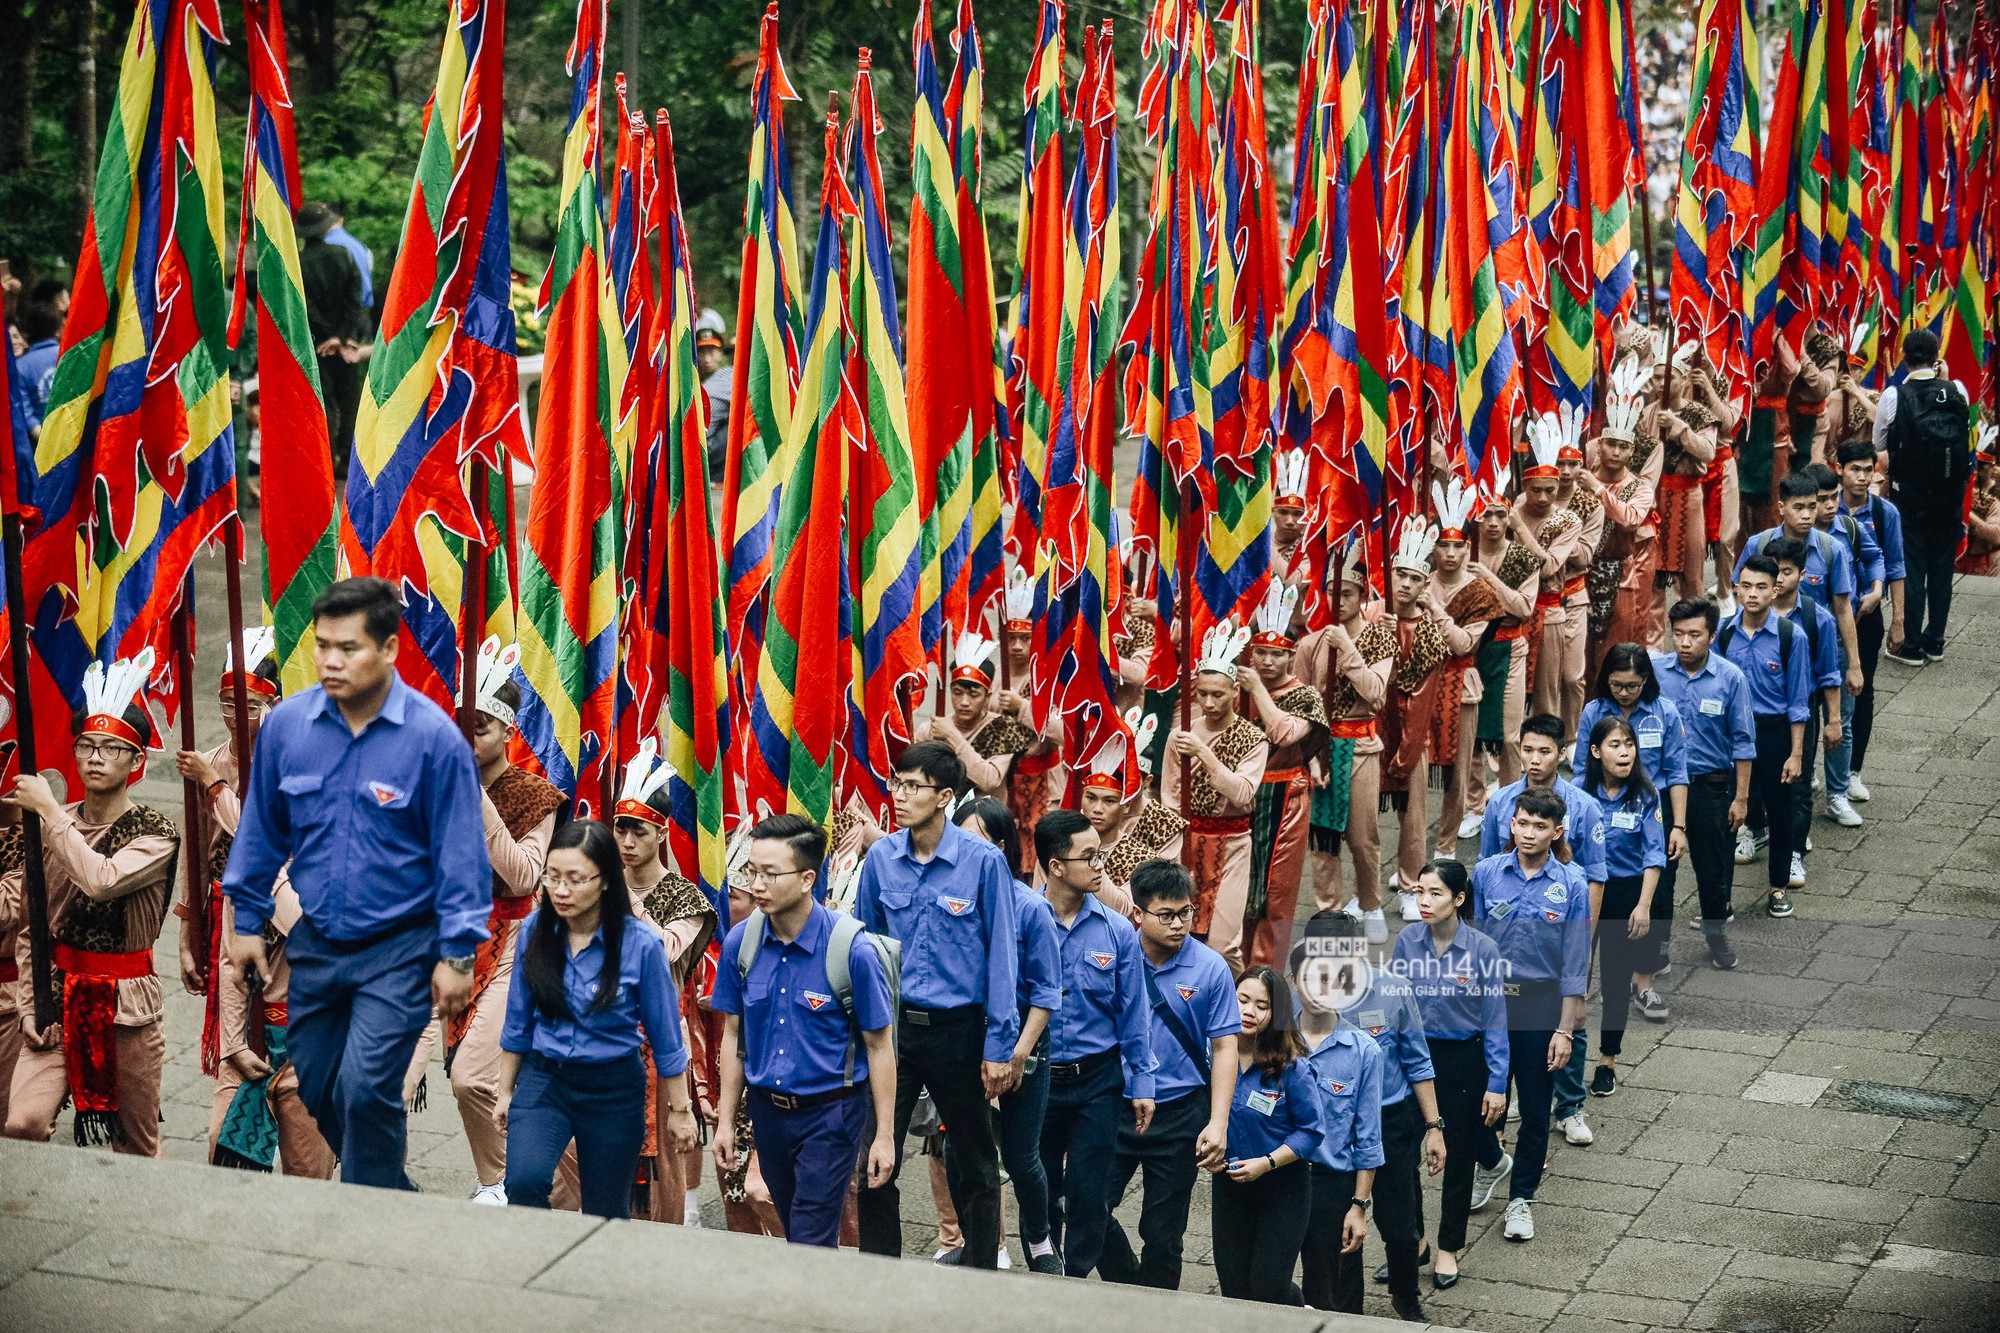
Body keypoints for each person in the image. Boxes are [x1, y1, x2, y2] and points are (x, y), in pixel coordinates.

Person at [223, 576, 494, 1189]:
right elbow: (261, 830)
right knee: (316, 1083)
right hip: (317, 944)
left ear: (390, 649)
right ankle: (389, 1189)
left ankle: (370, 1208)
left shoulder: (431, 741)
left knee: (367, 1086)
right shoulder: (289, 728)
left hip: (400, 949)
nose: (331, 661)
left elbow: (460, 858)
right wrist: (244, 922)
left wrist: (457, 954)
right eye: (322, 646)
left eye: (349, 647)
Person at [403, 639, 564, 1203]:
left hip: (511, 939)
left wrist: (477, 801)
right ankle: (381, 1176)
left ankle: (498, 1183)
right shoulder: (434, 779)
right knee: (389, 1070)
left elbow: (524, 877)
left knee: (473, 1077)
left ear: (507, 732)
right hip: (439, 933)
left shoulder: (533, 796)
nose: (470, 738)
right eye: (461, 726)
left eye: (482, 727)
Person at [4, 654, 179, 1153]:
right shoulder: (52, 824)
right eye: (87, 746)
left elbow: (100, 879)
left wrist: (47, 813)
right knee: (23, 1124)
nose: (96, 757)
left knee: (136, 1145)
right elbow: (30, 926)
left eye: (111, 748)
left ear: (137, 761)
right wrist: (29, 1006)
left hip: (126, 1004)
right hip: (57, 996)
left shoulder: (155, 834)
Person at [854, 740, 1020, 1268]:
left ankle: (978, 1268)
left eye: (912, 787)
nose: (899, 797)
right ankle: (882, 1270)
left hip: (959, 1030)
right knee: (874, 1155)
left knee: (973, 1160)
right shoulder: (881, 859)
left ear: (945, 796)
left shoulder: (983, 863)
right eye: (895, 784)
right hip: (894, 1032)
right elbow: (867, 950)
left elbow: (1002, 960)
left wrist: (999, 1045)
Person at [711, 814, 897, 1247]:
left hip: (830, 1114)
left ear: (807, 878)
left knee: (810, 1234)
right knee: (798, 1229)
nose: (757, 884)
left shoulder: (852, 950)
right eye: (751, 871)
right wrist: (724, 1122)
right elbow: (733, 1037)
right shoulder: (742, 942)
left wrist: (884, 1136)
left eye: (771, 874)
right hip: (767, 1114)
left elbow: (879, 1043)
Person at [494, 821, 695, 1218]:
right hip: (545, 1081)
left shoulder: (641, 945)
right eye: (552, 878)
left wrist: (680, 1110)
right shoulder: (536, 930)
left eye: (575, 879)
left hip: (613, 1089)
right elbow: (518, 1019)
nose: (561, 891)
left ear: (605, 881)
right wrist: (504, 1091)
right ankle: (535, 1265)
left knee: (605, 1210)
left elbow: (667, 1037)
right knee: (523, 1182)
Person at [1100, 859, 1239, 1291]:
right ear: (1138, 914)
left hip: (1179, 1113)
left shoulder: (1210, 967)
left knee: (1163, 1235)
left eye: (1186, 913)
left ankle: (1156, 1309)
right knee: (1086, 1208)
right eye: (1166, 915)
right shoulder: (1112, 957)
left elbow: (1225, 1047)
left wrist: (1218, 1122)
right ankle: (1128, 1286)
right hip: (1115, 1106)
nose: (1179, 925)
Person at [1032, 810, 1156, 1278]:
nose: (1100, 864)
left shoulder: (1118, 930)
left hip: (1098, 1081)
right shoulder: (1022, 921)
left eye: (1099, 852)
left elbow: (1133, 1013)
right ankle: (1043, 1268)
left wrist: (1142, 1082)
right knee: (1037, 1188)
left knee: (1089, 1192)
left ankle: (1077, 1275)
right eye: (1089, 856)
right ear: (1056, 866)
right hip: (1037, 1078)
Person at [1302, 910, 1444, 1313]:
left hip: (1390, 1122)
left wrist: (1434, 1126)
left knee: (1400, 1228)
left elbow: (1418, 1062)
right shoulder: (1301, 994)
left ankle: (1405, 1298)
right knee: (1337, 1230)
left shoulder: (1393, 989)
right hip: (1331, 1128)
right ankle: (1347, 1313)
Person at [1470, 788, 1590, 1243]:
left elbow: (1575, 961)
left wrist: (1565, 1028)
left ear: (1556, 832)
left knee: (1536, 1106)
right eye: (1522, 823)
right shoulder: (1485, 875)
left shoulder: (1571, 884)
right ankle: (1489, 1164)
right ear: (1510, 824)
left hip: (1539, 1005)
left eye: (1540, 826)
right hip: (1492, 999)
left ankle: (1521, 1199)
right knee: (1482, 1098)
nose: (1528, 833)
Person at [947, 798, 1060, 1271]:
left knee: (1019, 1155)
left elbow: (1047, 993)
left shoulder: (1030, 907)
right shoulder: (949, 899)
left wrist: (1016, 1054)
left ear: (1003, 848)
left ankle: (1038, 1240)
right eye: (962, 840)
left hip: (1023, 1044)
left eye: (980, 841)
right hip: (963, 1041)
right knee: (961, 1151)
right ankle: (977, 1245)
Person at [610, 742, 719, 1223]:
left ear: (661, 834)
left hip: (659, 1043)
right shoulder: (595, 881)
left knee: (662, 1177)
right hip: (601, 1033)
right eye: (619, 829)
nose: (627, 841)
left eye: (638, 831)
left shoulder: (684, 897)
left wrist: (619, 897)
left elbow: (662, 950)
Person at [1390, 861, 1509, 1294]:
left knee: (1458, 1155)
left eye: (1435, 893)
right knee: (1403, 1156)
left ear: (1459, 899)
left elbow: (1495, 1021)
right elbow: (1395, 1005)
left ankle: (1448, 1247)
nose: (1424, 901)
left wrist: (1497, 1083)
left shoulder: (1482, 951)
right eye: (1419, 891)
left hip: (1463, 1060)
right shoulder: (1407, 940)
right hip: (1413, 1057)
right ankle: (1416, 1241)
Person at [1294, 541, 1394, 934]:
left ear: (1362, 595)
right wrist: (1310, 754)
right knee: (1322, 840)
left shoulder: (1378, 639)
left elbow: (1376, 693)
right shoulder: (1309, 643)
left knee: (1363, 836)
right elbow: (1301, 702)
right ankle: (1329, 912)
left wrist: (1347, 650)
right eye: (1333, 594)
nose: (1340, 601)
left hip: (1361, 748)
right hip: (1321, 746)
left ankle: (1370, 905)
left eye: (1348, 594)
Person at [1210, 966, 1324, 1306]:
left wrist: (1267, 1162)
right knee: (1233, 1288)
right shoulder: (1215, 1053)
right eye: (1242, 999)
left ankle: (1299, 1314)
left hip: (1283, 1188)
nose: (1249, 1011)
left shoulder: (1292, 1066)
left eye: (1262, 1005)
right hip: (1230, 1186)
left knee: (1269, 1286)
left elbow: (1311, 1131)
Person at [1161, 621, 1268, 976]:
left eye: (1217, 694)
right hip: (1190, 841)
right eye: (1202, 693)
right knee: (1183, 933)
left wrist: (1205, 755)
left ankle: (1239, 1003)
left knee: (1224, 942)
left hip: (1233, 843)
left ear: (1235, 692)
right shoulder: (1181, 734)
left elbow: (1244, 793)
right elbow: (1171, 797)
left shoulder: (1253, 738)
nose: (1208, 702)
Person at [1654, 599, 1757, 969]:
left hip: (1711, 788)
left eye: (1694, 635)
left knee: (1713, 870)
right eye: (1678, 634)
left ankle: (1716, 935)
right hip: (1664, 790)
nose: (1684, 643)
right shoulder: (1656, 673)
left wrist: (1741, 798)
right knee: (1660, 871)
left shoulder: (1731, 679)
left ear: (1711, 636)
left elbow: (1744, 742)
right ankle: (1659, 945)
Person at [1289, 934, 1385, 1316]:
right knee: (1263, 1282)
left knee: (1335, 1295)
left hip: (1331, 1183)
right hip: (1276, 1177)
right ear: (1294, 981)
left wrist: (1358, 1206)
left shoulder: (1363, 1050)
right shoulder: (1272, 1040)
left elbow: (1368, 1137)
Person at [1239, 584, 1329, 967]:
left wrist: (1257, 689)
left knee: (1276, 891)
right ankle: (1238, 964)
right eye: (1261, 653)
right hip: (1244, 796)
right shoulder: (1234, 692)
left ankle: (1266, 972)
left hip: (1286, 797)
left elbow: (1285, 733)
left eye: (1276, 655)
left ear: (1291, 657)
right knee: (1243, 887)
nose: (1267, 662)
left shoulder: (1304, 695)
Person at [1717, 557, 1811, 918]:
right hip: (1733, 734)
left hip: (1773, 734)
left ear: (1775, 590)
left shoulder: (1791, 636)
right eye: (1746, 586)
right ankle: (1720, 898)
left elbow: (1799, 701)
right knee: (1728, 812)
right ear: (1736, 587)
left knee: (1780, 809)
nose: (1752, 594)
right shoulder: (1724, 633)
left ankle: (1777, 888)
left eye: (1760, 587)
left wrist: (1797, 753)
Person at [1580, 717, 1668, 1098]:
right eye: (1615, 744)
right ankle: (1564, 1051)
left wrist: (1644, 905)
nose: (1625, 751)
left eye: (1629, 744)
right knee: (1573, 976)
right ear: (1597, 751)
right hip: (1582, 894)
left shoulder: (1646, 796)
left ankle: (1607, 1060)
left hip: (1624, 895)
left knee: (1616, 980)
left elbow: (1654, 855)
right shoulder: (1577, 795)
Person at [1874, 328, 1972, 664]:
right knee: (1942, 568)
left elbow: (1880, 445)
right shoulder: (1956, 389)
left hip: (1910, 496)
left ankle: (1911, 644)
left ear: (1903, 356)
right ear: (1936, 356)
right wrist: (1944, 379)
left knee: (1913, 565)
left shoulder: (1893, 396)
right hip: (1950, 495)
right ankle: (1936, 640)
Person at [1379, 519, 1463, 910]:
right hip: (1373, 727)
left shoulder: (1429, 629)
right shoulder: (1373, 617)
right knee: (1362, 820)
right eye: (1400, 575)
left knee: (1413, 818)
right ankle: (1366, 894)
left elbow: (1423, 695)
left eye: (1415, 578)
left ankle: (1413, 884)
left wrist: (1408, 748)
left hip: (1411, 731)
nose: (1406, 585)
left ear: (1424, 584)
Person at [1426, 481, 1507, 856]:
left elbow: (1463, 644)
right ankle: (1412, 857)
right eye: (1445, 544)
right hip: (1420, 684)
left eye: (1459, 545)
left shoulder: (1479, 592)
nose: (1452, 553)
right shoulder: (1419, 582)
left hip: (1460, 682)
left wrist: (1433, 610)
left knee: (1458, 771)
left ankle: (1444, 848)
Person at [1761, 538, 1842, 895]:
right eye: (1773, 571)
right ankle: (1754, 830)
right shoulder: (1746, 616)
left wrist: (1834, 720)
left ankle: (1794, 850)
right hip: (1758, 713)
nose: (1779, 579)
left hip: (1801, 711)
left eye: (1787, 572)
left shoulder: (1816, 618)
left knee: (1799, 782)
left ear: (1802, 574)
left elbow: (1829, 674)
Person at [1807, 462, 1881, 826]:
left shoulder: (1847, 532)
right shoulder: (1780, 543)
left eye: (1833, 497)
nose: (1829, 506)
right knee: (1802, 720)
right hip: (1801, 646)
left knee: (1841, 722)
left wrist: (1854, 662)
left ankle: (1837, 794)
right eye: (1821, 500)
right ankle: (1804, 783)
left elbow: (1844, 607)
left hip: (1837, 640)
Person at [1834, 438, 1904, 803]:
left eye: (1867, 470)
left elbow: (1896, 567)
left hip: (1867, 616)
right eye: (1854, 470)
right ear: (1839, 470)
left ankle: (1852, 770)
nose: (1862, 477)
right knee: (1820, 693)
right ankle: (1825, 771)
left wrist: (1899, 621)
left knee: (1862, 689)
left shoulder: (1884, 513)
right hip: (1827, 614)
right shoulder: (1825, 509)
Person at [1583, 361, 1659, 662]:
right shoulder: (1584, 477)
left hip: (1621, 574)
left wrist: (1599, 492)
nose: (1616, 452)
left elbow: (1630, 519)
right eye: (1611, 445)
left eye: (1623, 447)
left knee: (1614, 650)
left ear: (1631, 451)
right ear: (1599, 445)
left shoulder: (1639, 487)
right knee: (1583, 655)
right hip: (1583, 573)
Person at [1519, 410, 1587, 727]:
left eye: (1550, 489)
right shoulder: (1510, 510)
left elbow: (1547, 567)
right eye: (1537, 490)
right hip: (1512, 613)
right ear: (1525, 486)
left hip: (1548, 613)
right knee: (1513, 689)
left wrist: (1518, 530)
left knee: (1546, 693)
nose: (1544, 497)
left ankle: (1546, 750)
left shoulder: (1568, 520)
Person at [1470, 486, 1541, 787]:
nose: (1494, 522)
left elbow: (1524, 608)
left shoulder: (1523, 558)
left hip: (1510, 647)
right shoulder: (1461, 554)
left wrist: (1488, 579)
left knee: (1510, 735)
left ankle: (1511, 796)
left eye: (1501, 515)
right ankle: (1472, 804)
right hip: (1469, 652)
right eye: (1486, 515)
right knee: (1469, 738)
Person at [296, 201, 370, 479]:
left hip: (316, 343)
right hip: (347, 342)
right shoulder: (344, 255)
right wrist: (342, 336)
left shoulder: (299, 263)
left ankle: (325, 457)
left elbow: (305, 305)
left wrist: (327, 336)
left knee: (322, 400)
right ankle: (348, 460)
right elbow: (356, 299)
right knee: (349, 399)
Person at [1078, 711, 1182, 907]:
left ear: (1147, 781)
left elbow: (1151, 895)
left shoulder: (1165, 826)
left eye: (1110, 801)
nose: (1098, 808)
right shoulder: (1072, 830)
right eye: (1091, 797)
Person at [918, 633, 1036, 802]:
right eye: (957, 693)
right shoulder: (931, 730)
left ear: (988, 697)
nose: (964, 702)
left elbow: (990, 780)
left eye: (974, 695)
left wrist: (952, 737)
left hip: (982, 820)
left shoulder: (1003, 727)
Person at [697, 309, 733, 483]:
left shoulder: (722, 378)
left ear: (721, 353)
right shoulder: (726, 377)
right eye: (702, 352)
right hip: (702, 449)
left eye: (712, 351)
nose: (707, 358)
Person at [325, 208, 376, 314]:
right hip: (363, 311)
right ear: (340, 220)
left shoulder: (326, 245)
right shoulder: (361, 246)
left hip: (337, 314)